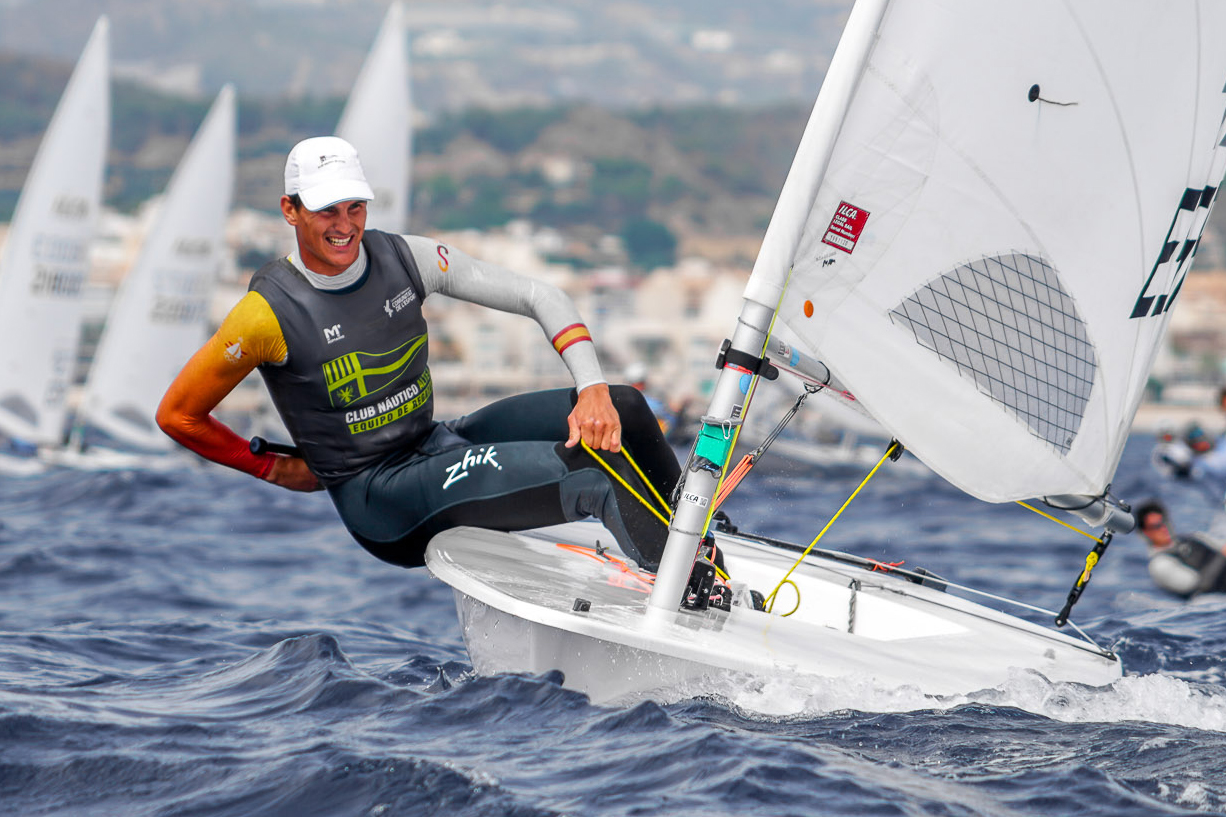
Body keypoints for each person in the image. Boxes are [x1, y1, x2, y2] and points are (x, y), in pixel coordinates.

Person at [157, 136, 681, 571]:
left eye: (355, 207)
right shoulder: (263, 314)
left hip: (437, 443)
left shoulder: (408, 258)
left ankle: (693, 537)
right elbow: (179, 415)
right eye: (326, 211)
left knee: (625, 407)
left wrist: (591, 389)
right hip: (380, 497)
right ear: (290, 211)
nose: (345, 225)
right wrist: (268, 468)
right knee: (592, 475)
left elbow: (541, 295)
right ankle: (693, 594)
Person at [1135, 500, 1226, 599]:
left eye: (1165, 521)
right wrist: (1222, 556)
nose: (1164, 528)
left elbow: (1221, 546)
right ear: (1145, 532)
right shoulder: (1159, 565)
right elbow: (1199, 587)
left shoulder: (1194, 537)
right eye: (1157, 526)